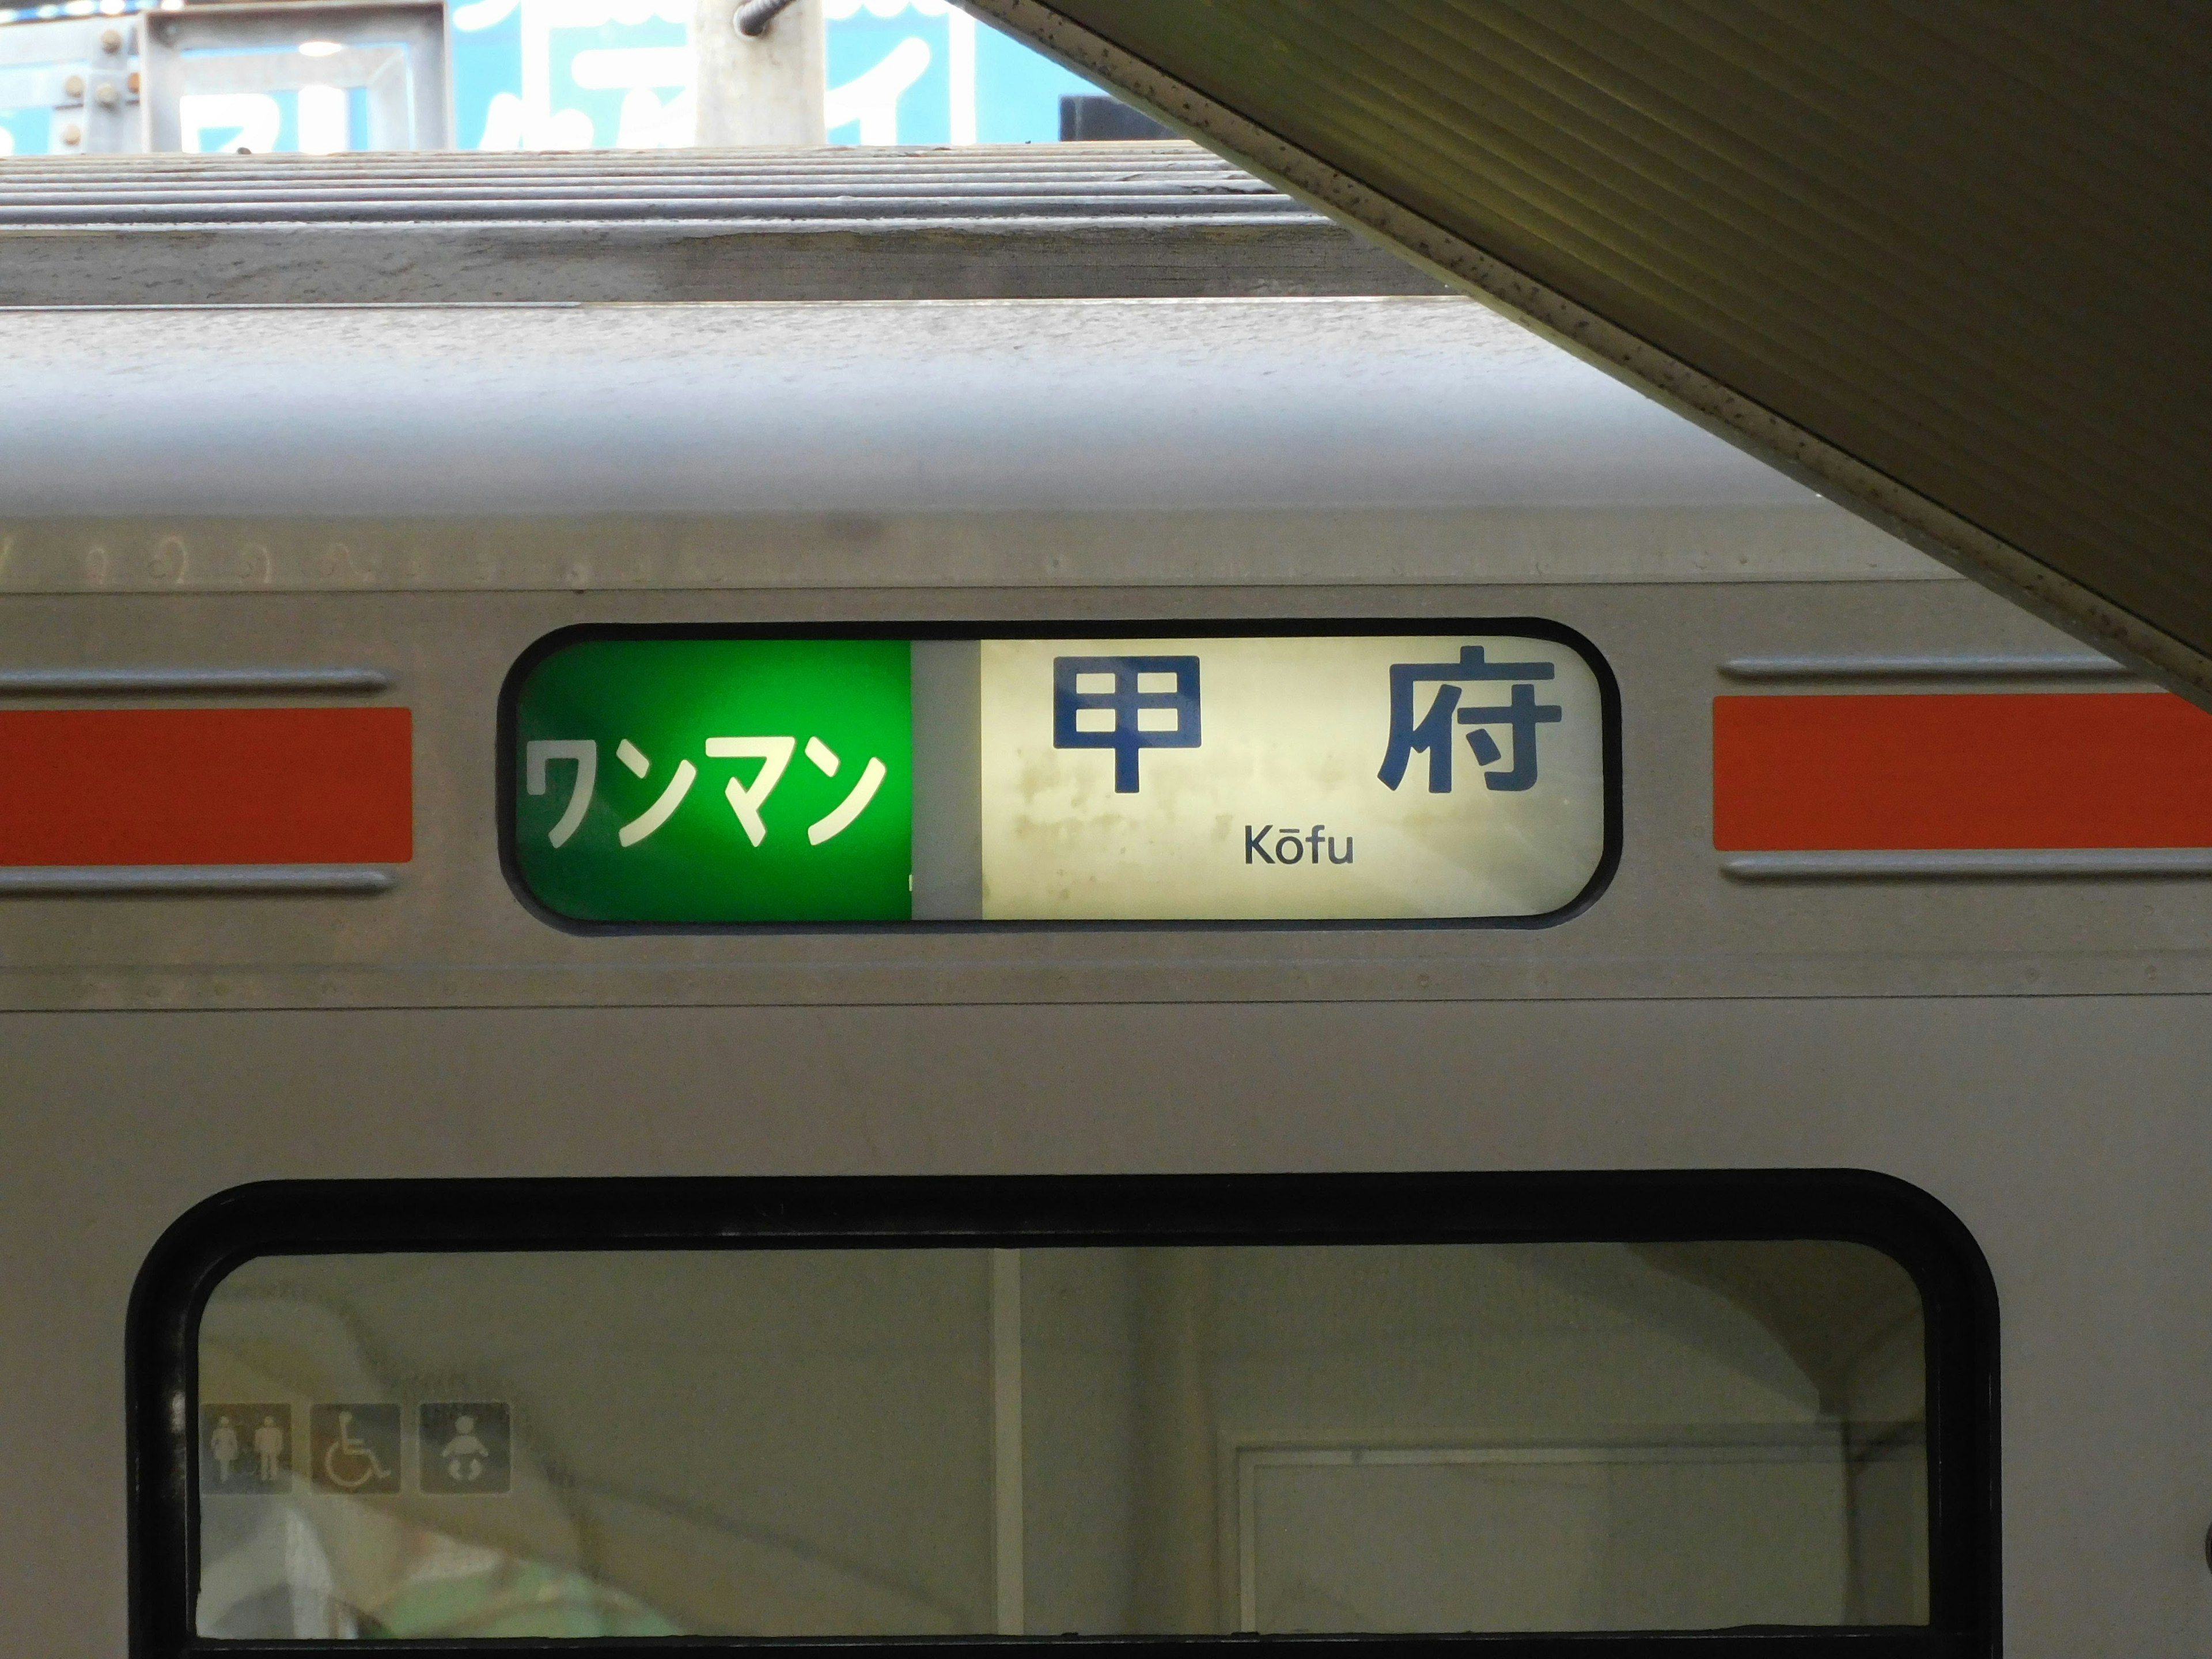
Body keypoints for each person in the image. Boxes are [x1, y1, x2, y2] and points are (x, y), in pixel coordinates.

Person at [441, 1414, 489, 1484]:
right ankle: (471, 1478)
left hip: (458, 1458)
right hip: (471, 1458)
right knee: (477, 1468)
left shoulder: (456, 1440)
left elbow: (449, 1448)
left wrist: (444, 1454)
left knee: (453, 1468)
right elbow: (481, 1448)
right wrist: (485, 1454)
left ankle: (459, 1478)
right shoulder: (474, 1440)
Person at [252, 1414, 285, 1483]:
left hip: (273, 1449)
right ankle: (264, 1476)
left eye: (269, 1422)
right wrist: (257, 1448)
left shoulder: (277, 1431)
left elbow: (279, 1442)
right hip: (264, 1449)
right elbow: (257, 1441)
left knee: (273, 1463)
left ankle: (273, 1476)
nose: (268, 1423)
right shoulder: (260, 1431)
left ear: (273, 1422)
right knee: (264, 1463)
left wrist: (279, 1449)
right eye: (266, 1421)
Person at [210, 1415, 240, 1483]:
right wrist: (213, 1448)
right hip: (221, 1449)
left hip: (227, 1449)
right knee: (224, 1464)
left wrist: (236, 1449)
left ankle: (225, 1478)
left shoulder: (230, 1432)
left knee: (226, 1464)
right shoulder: (217, 1432)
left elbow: (234, 1441)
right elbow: (214, 1441)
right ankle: (224, 1478)